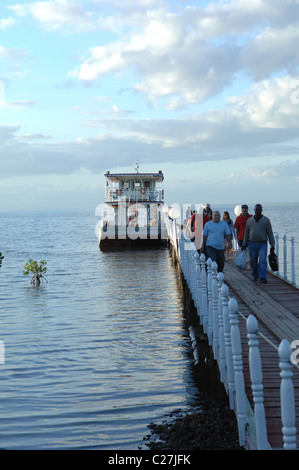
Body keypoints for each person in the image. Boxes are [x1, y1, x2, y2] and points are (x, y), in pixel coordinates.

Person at [242, 204, 275, 283]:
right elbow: (246, 233)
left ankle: (263, 277)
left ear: (261, 210)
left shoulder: (266, 220)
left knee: (262, 260)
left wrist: (272, 245)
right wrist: (244, 243)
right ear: (254, 210)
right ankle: (255, 275)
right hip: (252, 243)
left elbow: (270, 233)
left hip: (262, 244)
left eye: (259, 210)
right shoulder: (250, 220)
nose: (258, 211)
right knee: (253, 261)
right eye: (256, 209)